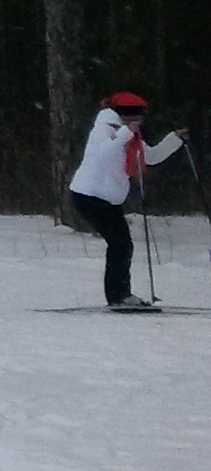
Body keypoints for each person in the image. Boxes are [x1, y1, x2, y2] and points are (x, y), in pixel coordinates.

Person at [68, 91, 186, 308]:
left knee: (122, 245)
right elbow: (104, 153)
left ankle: (120, 295)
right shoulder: (104, 129)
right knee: (120, 244)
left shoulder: (129, 135)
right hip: (88, 196)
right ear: (126, 115)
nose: (141, 122)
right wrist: (125, 133)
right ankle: (118, 296)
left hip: (107, 200)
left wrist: (174, 140)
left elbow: (150, 157)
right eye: (138, 117)